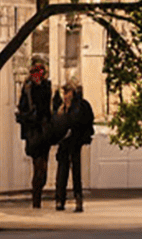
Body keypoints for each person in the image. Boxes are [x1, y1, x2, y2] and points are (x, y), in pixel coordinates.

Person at [15, 59, 57, 207]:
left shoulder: (47, 87)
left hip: (44, 131)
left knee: (43, 167)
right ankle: (36, 198)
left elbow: (48, 107)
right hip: (33, 131)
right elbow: (23, 108)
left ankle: (38, 191)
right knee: (38, 164)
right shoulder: (27, 88)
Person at [53, 82, 95, 212]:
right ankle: (60, 199)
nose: (65, 96)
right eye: (64, 93)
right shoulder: (62, 107)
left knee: (75, 172)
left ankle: (77, 199)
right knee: (62, 172)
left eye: (67, 93)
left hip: (75, 141)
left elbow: (79, 121)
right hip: (65, 142)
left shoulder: (79, 106)